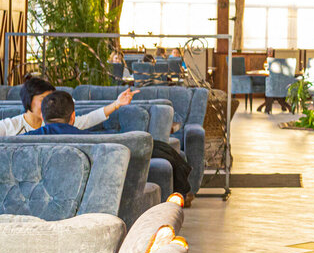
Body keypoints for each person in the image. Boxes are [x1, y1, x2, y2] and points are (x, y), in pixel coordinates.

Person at [26, 89, 195, 201]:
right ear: (73, 117)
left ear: (42, 116)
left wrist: (116, 104)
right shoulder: (97, 143)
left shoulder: (22, 141)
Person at [0, 76, 134, 136]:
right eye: (43, 99)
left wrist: (116, 104)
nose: (49, 103)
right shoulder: (9, 127)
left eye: (51, 99)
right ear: (29, 101)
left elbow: (89, 119)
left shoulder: (59, 122)